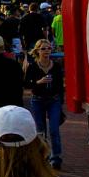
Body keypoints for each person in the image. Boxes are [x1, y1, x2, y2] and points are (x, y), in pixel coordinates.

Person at [23, 39, 64, 169]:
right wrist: (38, 82)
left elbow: (60, 85)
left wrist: (61, 103)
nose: (46, 51)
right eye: (43, 49)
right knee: (40, 131)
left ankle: (56, 157)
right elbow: (26, 84)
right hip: (38, 100)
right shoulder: (33, 67)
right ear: (37, 51)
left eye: (49, 48)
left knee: (54, 129)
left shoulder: (56, 66)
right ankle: (42, 156)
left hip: (54, 100)